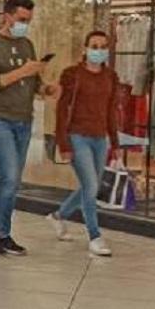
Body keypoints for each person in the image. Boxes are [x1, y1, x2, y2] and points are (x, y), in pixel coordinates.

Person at [0, 0, 61, 257]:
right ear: (7, 16)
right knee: (9, 175)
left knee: (13, 180)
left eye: (29, 20)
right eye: (22, 19)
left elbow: (31, 84)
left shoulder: (27, 45)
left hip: (23, 120)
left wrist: (46, 88)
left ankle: (3, 232)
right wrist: (21, 72)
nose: (25, 24)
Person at [47, 30, 120, 257]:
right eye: (94, 46)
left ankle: (58, 216)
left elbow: (111, 111)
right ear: (85, 49)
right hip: (77, 137)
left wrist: (115, 142)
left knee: (92, 186)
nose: (98, 50)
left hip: (100, 138)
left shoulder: (111, 76)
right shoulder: (72, 74)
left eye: (103, 46)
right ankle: (95, 236)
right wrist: (63, 144)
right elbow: (61, 110)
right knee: (90, 186)